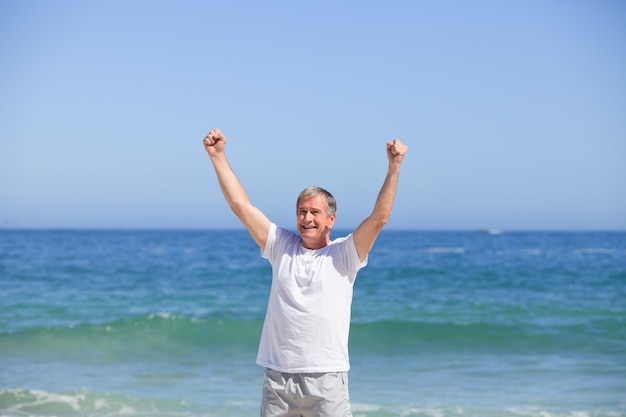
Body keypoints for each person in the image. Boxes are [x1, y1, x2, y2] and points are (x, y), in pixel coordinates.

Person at [202, 128, 408, 417]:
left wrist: (394, 167)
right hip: (278, 379)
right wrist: (218, 157)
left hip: (325, 379)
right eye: (301, 211)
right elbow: (241, 207)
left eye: (314, 212)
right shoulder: (281, 245)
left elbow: (379, 219)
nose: (307, 218)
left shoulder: (344, 254)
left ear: (330, 219)